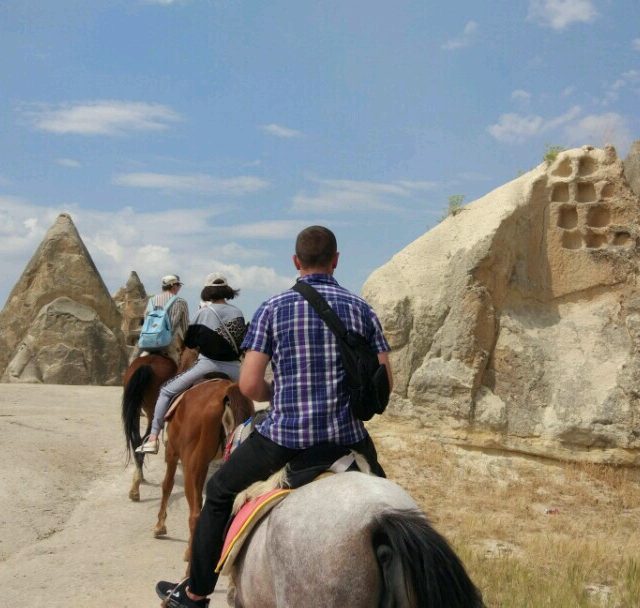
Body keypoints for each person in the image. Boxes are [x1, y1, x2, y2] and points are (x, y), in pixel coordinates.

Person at [155, 226, 392, 607]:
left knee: (217, 493)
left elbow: (249, 385)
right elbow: (385, 380)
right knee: (392, 506)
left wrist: (276, 393)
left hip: (284, 438)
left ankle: (196, 593)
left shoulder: (273, 307)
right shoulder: (362, 310)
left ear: (296, 262)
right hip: (348, 435)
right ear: (336, 261)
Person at [136, 274, 246, 455]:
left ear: (207, 291)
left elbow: (190, 342)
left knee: (165, 391)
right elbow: (242, 341)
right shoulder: (237, 313)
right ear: (227, 290)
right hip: (234, 368)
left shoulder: (203, 313)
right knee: (248, 400)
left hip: (207, 365)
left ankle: (153, 437)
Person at [138, 274, 190, 367]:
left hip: (149, 342)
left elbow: (146, 319)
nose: (179, 288)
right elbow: (185, 327)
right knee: (180, 369)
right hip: (169, 343)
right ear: (174, 286)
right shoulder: (181, 302)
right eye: (179, 285)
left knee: (137, 361)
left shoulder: (152, 300)